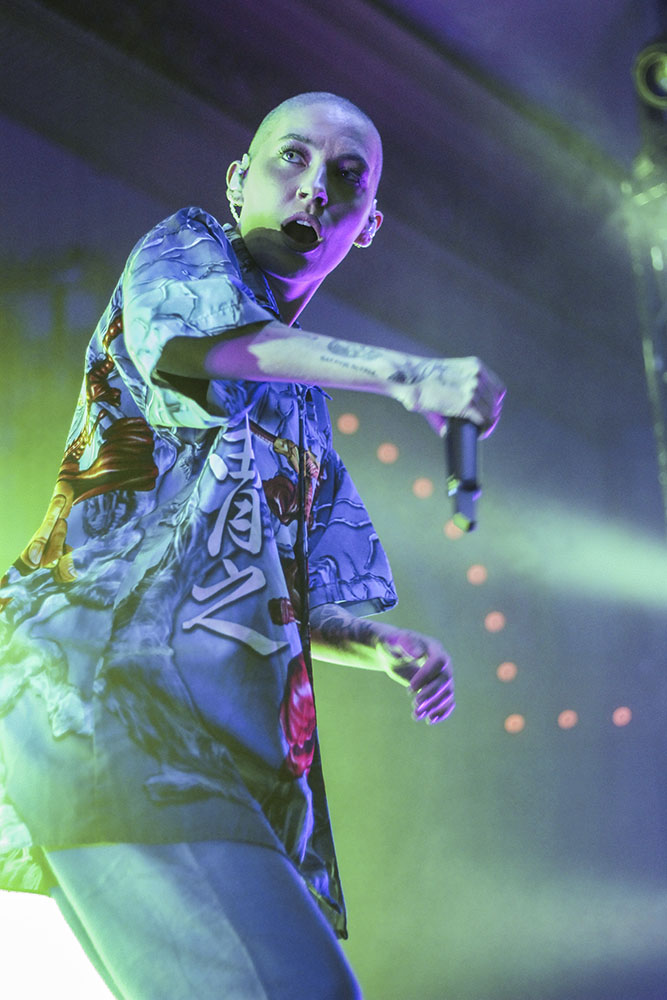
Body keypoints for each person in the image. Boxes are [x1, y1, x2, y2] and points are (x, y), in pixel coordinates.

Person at [0, 92, 505, 999]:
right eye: (291, 159)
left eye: (346, 178)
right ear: (237, 181)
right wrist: (407, 372)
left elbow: (288, 603)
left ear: (369, 227)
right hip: (102, 704)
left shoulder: (306, 416)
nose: (315, 187)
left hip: (200, 751)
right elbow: (215, 349)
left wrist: (381, 646)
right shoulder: (182, 248)